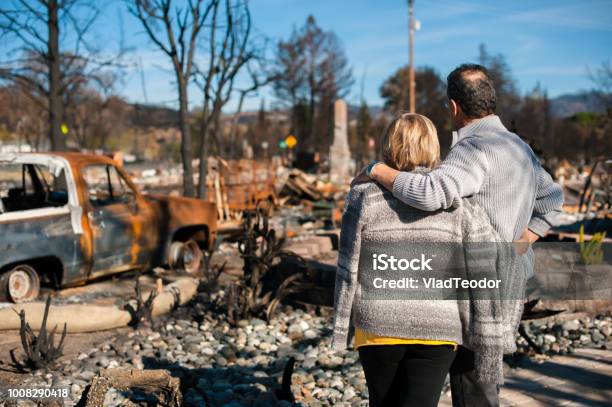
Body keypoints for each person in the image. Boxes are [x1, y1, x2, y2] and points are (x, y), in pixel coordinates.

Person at [364, 64, 564, 407]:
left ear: (454, 106)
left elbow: (430, 192)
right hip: (509, 276)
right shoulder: (519, 147)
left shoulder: (473, 149)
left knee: (473, 385)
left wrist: (378, 171)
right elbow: (552, 200)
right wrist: (518, 244)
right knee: (482, 379)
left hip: (477, 284)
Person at [332, 113, 511, 407]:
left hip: (378, 324)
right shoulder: (458, 203)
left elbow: (347, 266)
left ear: (389, 145)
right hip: (438, 327)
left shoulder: (363, 195)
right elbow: (483, 273)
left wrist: (341, 328)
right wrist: (488, 341)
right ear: (433, 147)